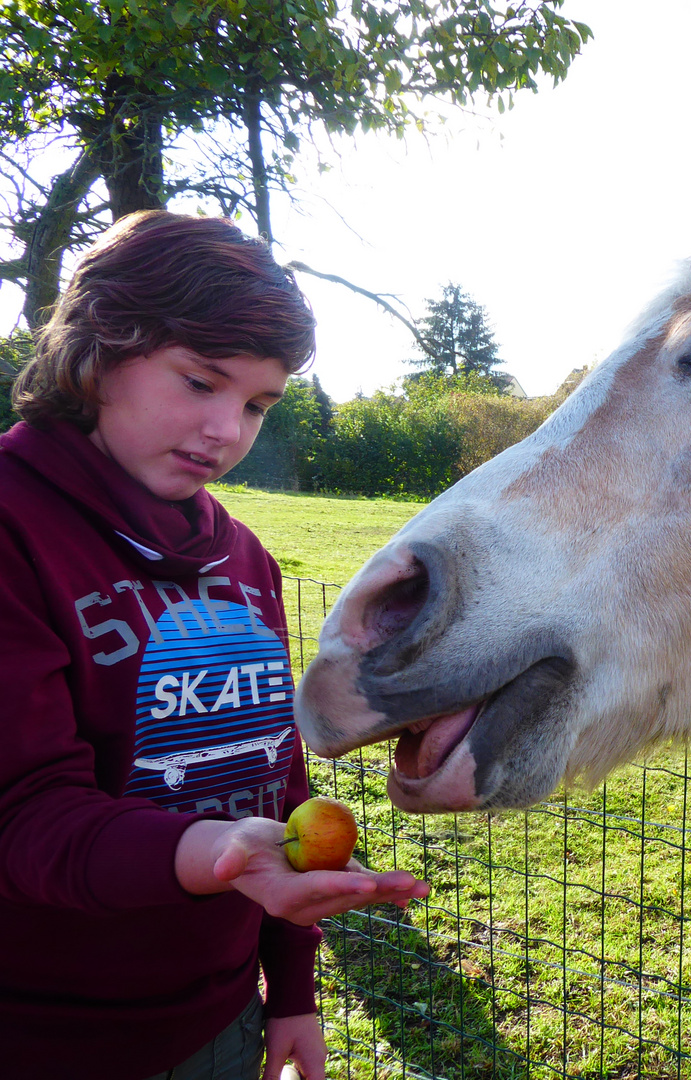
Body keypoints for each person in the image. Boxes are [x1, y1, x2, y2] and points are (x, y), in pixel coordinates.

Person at [0, 211, 429, 1080]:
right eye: (201, 382)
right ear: (98, 350)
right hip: (51, 1039)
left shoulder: (242, 558)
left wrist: (294, 986)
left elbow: (275, 776)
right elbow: (25, 815)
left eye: (258, 404)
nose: (228, 431)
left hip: (225, 1017)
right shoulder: (13, 530)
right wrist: (216, 854)